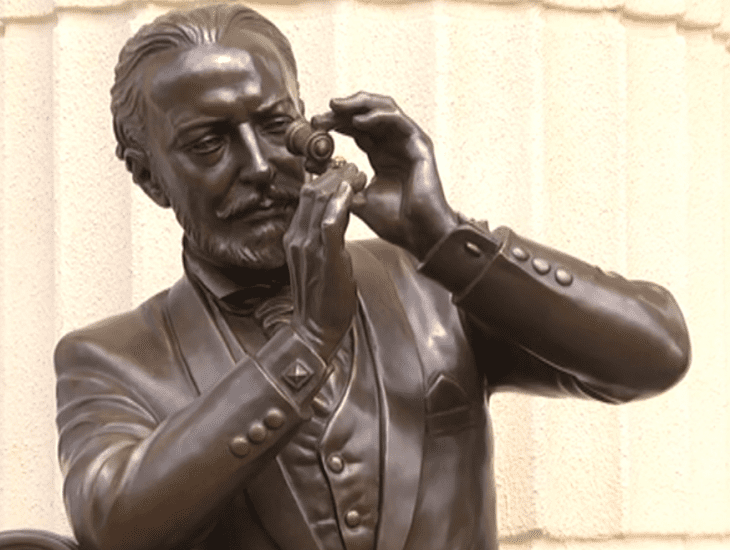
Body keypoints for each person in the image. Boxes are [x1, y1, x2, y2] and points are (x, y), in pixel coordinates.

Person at [53, 4, 691, 550]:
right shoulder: (111, 359)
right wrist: (305, 344)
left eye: (275, 126)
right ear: (149, 177)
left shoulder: (432, 281)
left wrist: (445, 237)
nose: (259, 165)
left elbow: (654, 354)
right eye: (209, 143)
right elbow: (113, 524)